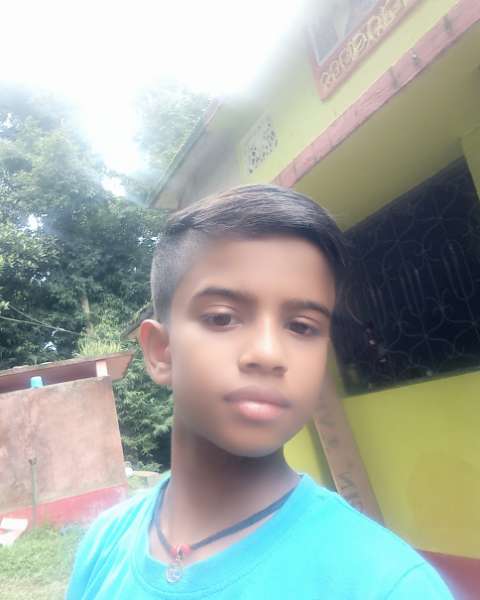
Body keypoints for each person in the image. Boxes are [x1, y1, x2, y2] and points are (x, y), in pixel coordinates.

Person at [67, 185, 452, 599]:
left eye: (302, 326)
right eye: (222, 318)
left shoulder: (387, 583)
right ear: (162, 352)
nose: (269, 354)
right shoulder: (104, 543)